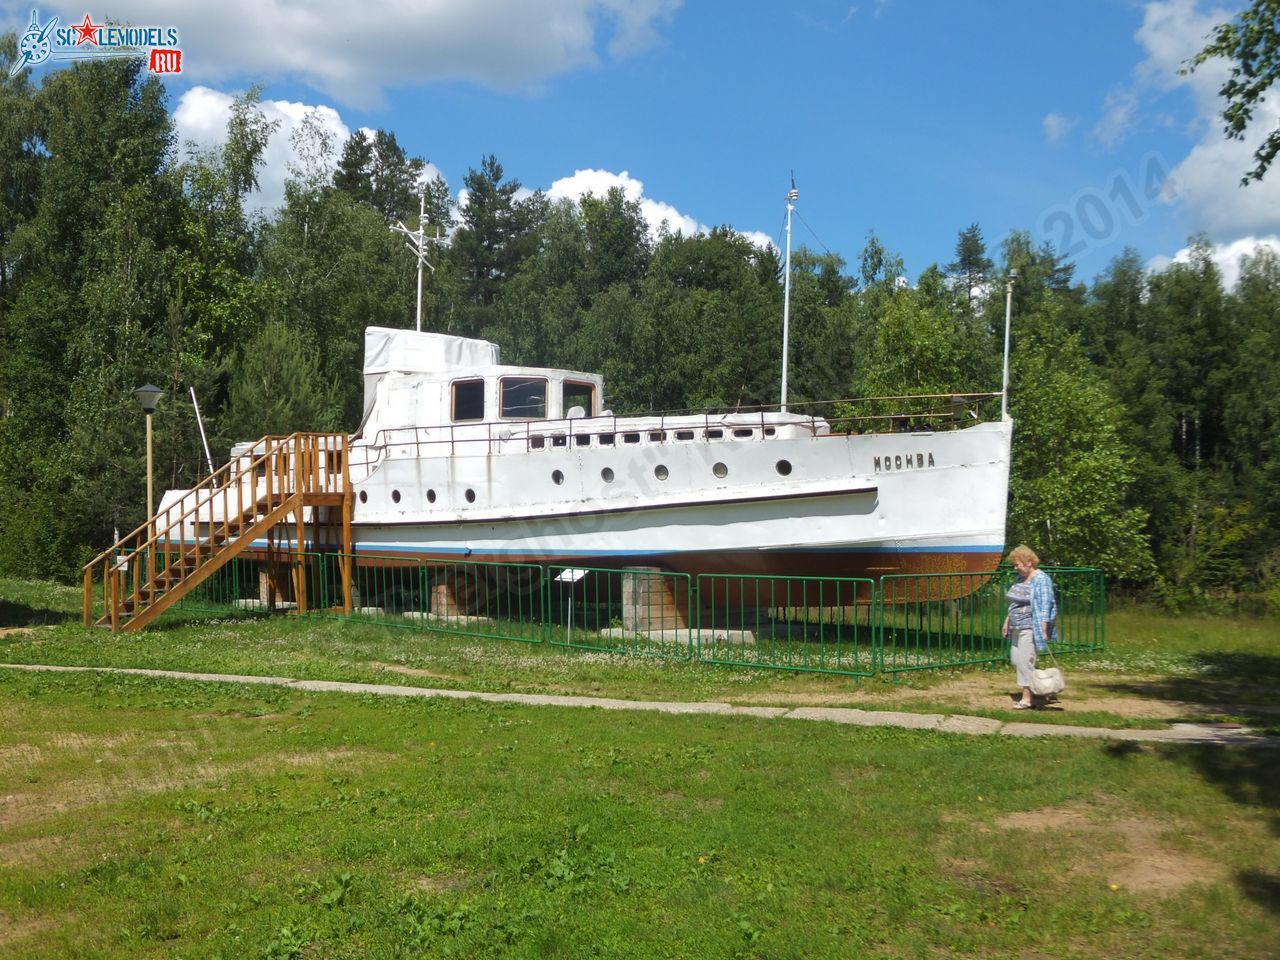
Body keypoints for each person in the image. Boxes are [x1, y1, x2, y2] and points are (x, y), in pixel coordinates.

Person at [1001, 544, 1057, 709]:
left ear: (1028, 562)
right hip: (1016, 625)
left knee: (1025, 662)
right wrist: (1007, 621)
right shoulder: (1020, 578)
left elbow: (1045, 605)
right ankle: (1045, 686)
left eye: (1017, 563)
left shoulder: (1041, 579)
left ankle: (1027, 699)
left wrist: (1044, 628)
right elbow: (1014, 603)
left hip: (1030, 626)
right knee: (1016, 660)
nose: (1015, 567)